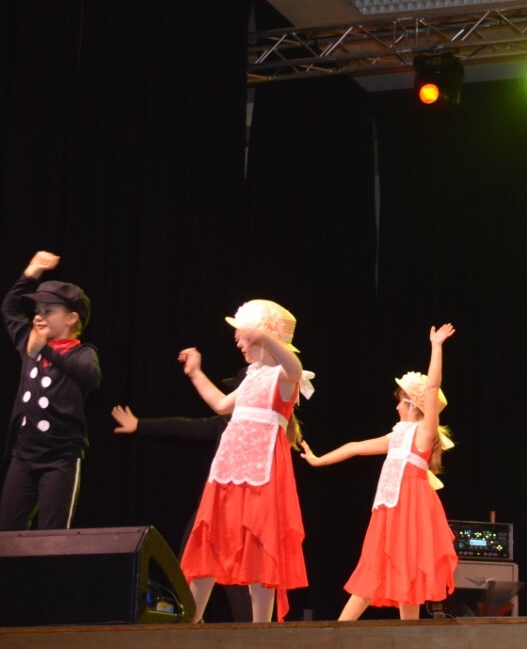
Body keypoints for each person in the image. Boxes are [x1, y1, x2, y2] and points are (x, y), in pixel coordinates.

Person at [300, 323, 458, 621]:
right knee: (375, 569)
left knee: (406, 575)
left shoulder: (423, 434)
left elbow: (432, 388)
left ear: (412, 405)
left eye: (400, 401)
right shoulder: (395, 436)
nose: (396, 407)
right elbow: (354, 447)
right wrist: (318, 461)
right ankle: (338, 632)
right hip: (388, 510)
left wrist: (436, 347)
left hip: (411, 509)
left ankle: (352, 632)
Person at [177, 299, 310, 622]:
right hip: (228, 470)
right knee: (210, 539)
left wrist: (264, 336)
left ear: (262, 335)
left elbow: (294, 368)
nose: (238, 342)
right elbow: (222, 405)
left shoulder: (282, 376)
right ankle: (189, 624)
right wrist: (195, 373)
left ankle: (260, 630)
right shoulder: (252, 376)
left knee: (260, 544)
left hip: (262, 472)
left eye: (243, 335)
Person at [110, 401, 251, 621]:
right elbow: (184, 426)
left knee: (238, 579)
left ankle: (253, 632)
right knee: (192, 570)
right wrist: (139, 424)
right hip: (211, 511)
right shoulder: (225, 423)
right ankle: (190, 626)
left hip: (241, 514)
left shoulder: (264, 427)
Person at [1, 251, 100, 531]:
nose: (38, 317)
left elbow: (91, 376)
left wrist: (44, 349)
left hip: (60, 458)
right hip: (24, 455)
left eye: (48, 311)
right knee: (6, 531)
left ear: (71, 318)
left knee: (53, 537)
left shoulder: (82, 353)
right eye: (37, 311)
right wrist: (31, 272)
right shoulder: (29, 345)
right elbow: (9, 308)